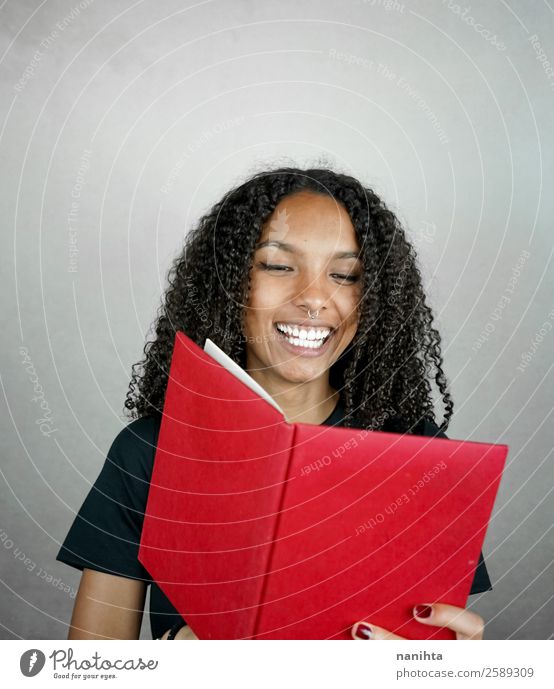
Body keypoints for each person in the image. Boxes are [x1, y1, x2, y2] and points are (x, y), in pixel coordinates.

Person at [57, 165, 491, 640]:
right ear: (228, 282)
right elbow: (88, 671)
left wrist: (442, 670)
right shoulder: (148, 453)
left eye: (345, 275)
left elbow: (434, 644)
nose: (314, 298)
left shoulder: (422, 455)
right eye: (279, 266)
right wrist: (175, 658)